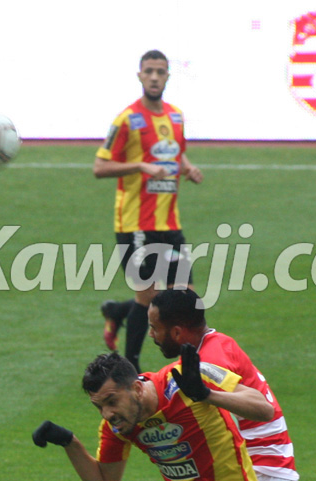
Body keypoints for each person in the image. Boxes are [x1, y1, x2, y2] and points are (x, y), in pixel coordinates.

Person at [33, 350, 274, 481]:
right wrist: (69, 442)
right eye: (99, 407)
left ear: (137, 388)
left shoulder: (186, 377)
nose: (107, 414)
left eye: (112, 401)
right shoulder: (118, 427)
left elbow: (264, 409)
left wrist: (205, 394)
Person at [148, 289, 300, 481]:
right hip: (274, 476)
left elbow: (261, 410)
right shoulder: (218, 344)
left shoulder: (208, 362)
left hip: (256, 478)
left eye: (155, 327)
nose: (151, 334)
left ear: (176, 332)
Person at [94, 49, 204, 373]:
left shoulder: (176, 117)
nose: (155, 77)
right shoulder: (127, 119)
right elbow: (100, 167)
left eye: (160, 71)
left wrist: (188, 168)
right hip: (135, 226)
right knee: (148, 300)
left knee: (187, 300)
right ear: (139, 76)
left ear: (168, 76)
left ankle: (117, 312)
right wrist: (141, 165)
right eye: (149, 71)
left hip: (170, 223)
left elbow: (176, 153)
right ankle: (130, 371)